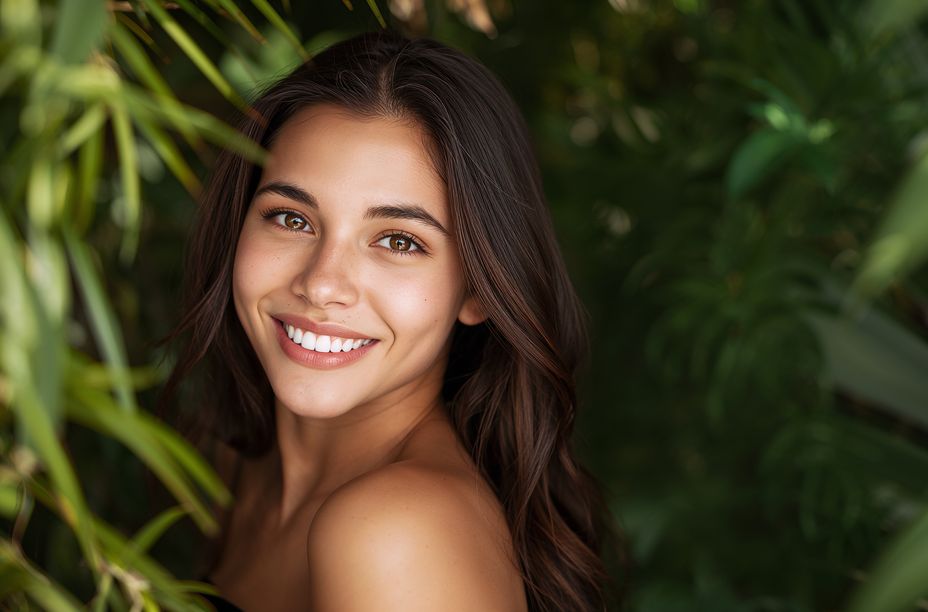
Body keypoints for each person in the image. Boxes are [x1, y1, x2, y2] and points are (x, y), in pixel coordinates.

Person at [160, 29, 613, 611]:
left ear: (479, 290)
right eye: (291, 218)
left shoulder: (397, 532)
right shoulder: (239, 467)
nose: (321, 283)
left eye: (398, 240)